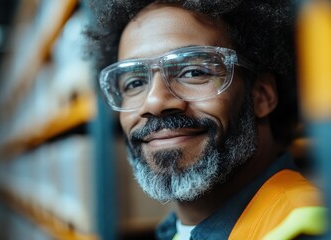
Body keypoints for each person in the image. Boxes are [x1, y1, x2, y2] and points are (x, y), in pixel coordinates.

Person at [85, 0, 328, 239]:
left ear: (262, 95)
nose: (155, 102)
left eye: (193, 72)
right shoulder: (179, 230)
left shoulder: (307, 226)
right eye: (135, 83)